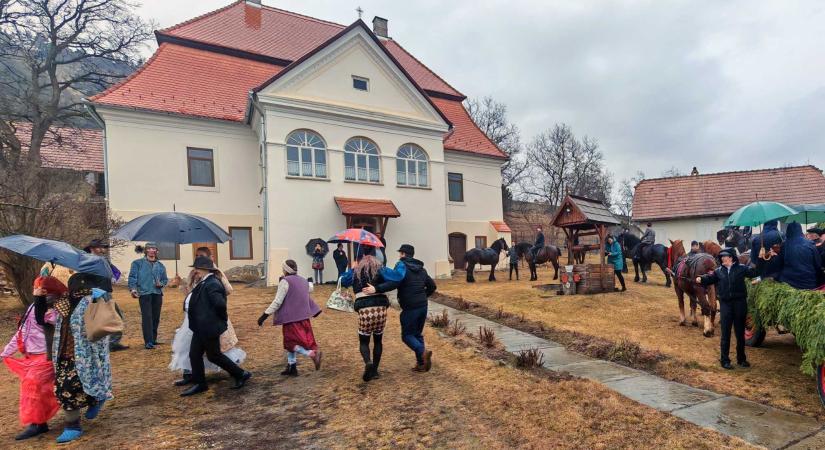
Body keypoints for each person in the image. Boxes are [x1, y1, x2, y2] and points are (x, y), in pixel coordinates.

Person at [51, 273, 114, 443]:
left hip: (87, 355)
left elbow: (112, 322)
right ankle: (93, 401)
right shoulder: (63, 303)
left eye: (83, 289)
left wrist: (104, 298)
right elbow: (42, 318)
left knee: (71, 387)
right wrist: (38, 297)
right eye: (76, 288)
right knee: (63, 389)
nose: (79, 292)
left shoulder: (95, 301)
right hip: (64, 353)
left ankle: (74, 425)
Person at [2, 276, 63, 441]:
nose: (36, 290)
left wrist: (40, 300)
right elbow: (21, 332)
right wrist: (5, 353)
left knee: (32, 385)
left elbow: (43, 318)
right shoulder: (32, 306)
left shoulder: (56, 308)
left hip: (46, 356)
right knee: (35, 389)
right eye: (35, 287)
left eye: (41, 288)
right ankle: (40, 422)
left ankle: (37, 423)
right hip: (31, 356)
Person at [181, 256, 251, 396]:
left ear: (205, 269)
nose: (195, 271)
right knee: (196, 354)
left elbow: (220, 304)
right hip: (201, 326)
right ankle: (201, 383)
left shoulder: (212, 283)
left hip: (208, 326)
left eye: (197, 268)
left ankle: (240, 374)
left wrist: (217, 319)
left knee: (214, 356)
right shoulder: (204, 281)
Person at [365, 244, 436, 372]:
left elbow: (394, 283)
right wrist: (423, 296)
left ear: (403, 254)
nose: (399, 256)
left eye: (400, 253)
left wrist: (376, 288)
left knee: (407, 336)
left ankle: (422, 352)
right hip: (422, 306)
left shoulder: (401, 268)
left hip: (410, 307)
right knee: (417, 334)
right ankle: (421, 363)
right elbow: (432, 286)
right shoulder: (422, 269)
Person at [257, 260, 322, 377]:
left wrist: (264, 315)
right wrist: (311, 282)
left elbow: (277, 301)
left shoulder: (285, 282)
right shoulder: (303, 280)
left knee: (290, 343)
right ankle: (292, 367)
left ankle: (312, 353)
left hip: (291, 319)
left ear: (285, 270)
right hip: (303, 318)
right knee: (291, 343)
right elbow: (310, 288)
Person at [697, 249, 759, 370]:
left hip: (740, 304)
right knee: (725, 333)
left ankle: (741, 359)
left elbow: (755, 272)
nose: (722, 259)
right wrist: (701, 279)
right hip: (726, 305)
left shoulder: (741, 269)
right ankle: (724, 360)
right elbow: (709, 278)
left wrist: (761, 258)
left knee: (740, 333)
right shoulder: (719, 271)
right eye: (721, 257)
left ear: (731, 258)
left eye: (725, 256)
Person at [340, 250, 390, 382]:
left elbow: (342, 281)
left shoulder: (356, 271)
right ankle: (375, 371)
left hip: (364, 309)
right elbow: (390, 282)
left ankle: (368, 363)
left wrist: (351, 269)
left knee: (364, 341)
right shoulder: (380, 269)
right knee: (378, 340)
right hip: (381, 308)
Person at [84, 239, 129, 352]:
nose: (102, 249)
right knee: (108, 317)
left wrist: (113, 278)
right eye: (99, 247)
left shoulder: (104, 260)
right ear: (92, 248)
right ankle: (107, 343)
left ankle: (112, 342)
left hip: (106, 292)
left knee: (115, 316)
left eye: (102, 247)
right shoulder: (87, 261)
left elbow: (113, 272)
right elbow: (86, 278)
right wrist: (94, 291)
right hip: (96, 293)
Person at [128, 243, 168, 349]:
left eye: (154, 248)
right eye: (149, 248)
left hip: (157, 293)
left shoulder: (160, 265)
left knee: (156, 317)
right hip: (144, 293)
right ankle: (148, 342)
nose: (151, 250)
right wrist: (133, 289)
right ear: (146, 251)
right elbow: (132, 277)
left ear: (156, 251)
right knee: (147, 317)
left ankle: (153, 339)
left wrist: (162, 284)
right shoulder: (137, 263)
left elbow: (165, 279)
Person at [777, 222, 823, 290]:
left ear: (788, 231)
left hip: (788, 283)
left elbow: (779, 264)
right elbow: (818, 265)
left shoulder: (784, 245)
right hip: (808, 284)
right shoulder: (810, 245)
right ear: (800, 230)